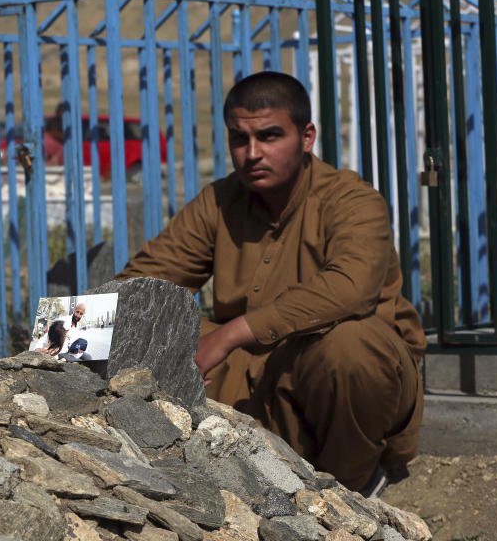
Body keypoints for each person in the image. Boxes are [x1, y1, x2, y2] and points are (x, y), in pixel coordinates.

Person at [115, 71, 426, 495]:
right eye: (239, 139)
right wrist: (53, 344)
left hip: (337, 384)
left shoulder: (352, 199)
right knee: (138, 325)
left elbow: (350, 286)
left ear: (307, 136)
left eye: (270, 136)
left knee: (350, 346)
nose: (252, 153)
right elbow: (140, 284)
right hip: (249, 384)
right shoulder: (219, 202)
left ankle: (347, 494)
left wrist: (230, 334)